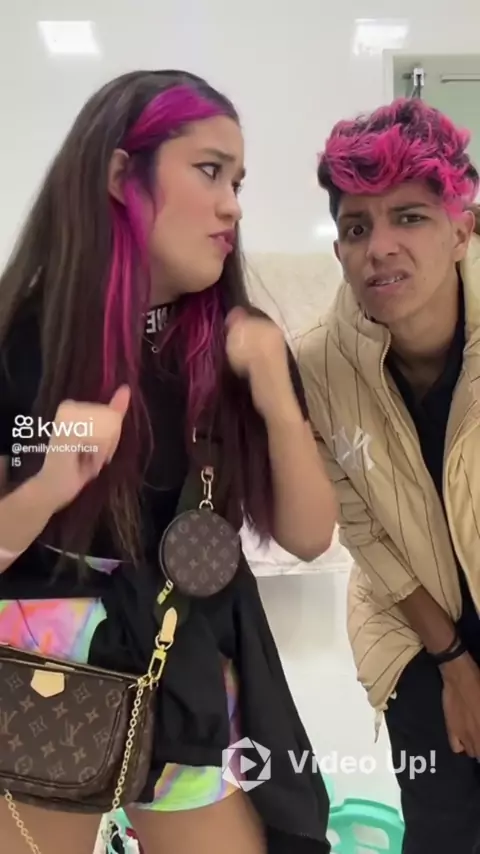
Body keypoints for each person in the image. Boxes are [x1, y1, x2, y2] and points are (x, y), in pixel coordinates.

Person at [0, 70, 337, 854]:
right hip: (43, 674)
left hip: (182, 663)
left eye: (237, 182)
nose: (232, 206)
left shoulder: (236, 343)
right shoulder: (22, 341)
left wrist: (274, 390)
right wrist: (49, 485)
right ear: (122, 174)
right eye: (209, 171)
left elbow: (309, 534)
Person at [297, 97, 480, 854]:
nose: (380, 248)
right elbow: (361, 525)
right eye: (356, 227)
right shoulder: (317, 365)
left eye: (410, 217)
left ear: (462, 229)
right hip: (412, 623)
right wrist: (455, 665)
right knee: (444, 827)